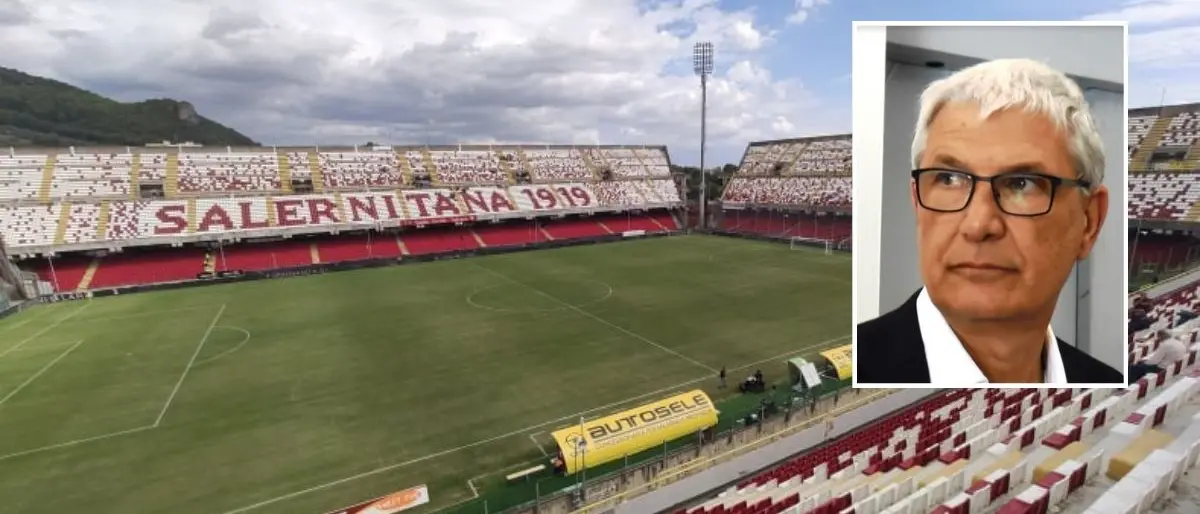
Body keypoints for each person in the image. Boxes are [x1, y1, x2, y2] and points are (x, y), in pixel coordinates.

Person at [856, 58, 1122, 385]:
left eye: (1022, 183)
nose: (978, 225)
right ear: (916, 202)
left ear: (1089, 221)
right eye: (949, 179)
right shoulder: (859, 366)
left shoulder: (1104, 379)